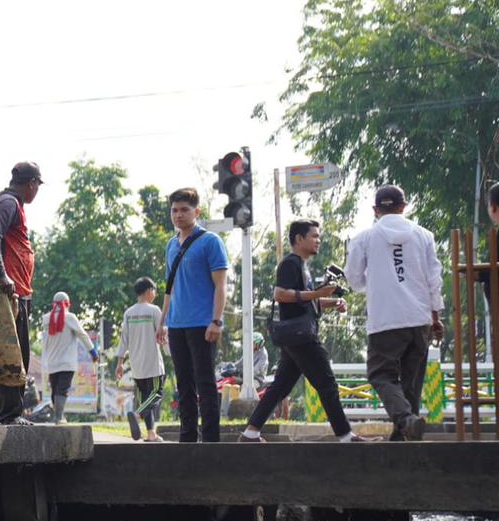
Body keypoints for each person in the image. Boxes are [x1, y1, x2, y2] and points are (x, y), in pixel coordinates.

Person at [241, 220, 364, 443]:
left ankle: (250, 432)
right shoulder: (290, 263)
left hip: (295, 337)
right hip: (301, 338)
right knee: (327, 384)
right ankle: (346, 436)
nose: (318, 241)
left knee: (280, 388)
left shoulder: (302, 265)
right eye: (314, 236)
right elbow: (280, 294)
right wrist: (317, 294)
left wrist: (331, 302)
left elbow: (303, 301)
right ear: (299, 239)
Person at [343, 186, 444, 441]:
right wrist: (436, 318)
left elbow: (353, 279)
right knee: (411, 382)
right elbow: (434, 281)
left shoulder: (364, 238)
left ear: (376, 210)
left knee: (381, 374)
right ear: (403, 207)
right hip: (420, 319)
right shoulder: (424, 236)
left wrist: (376, 280)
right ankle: (404, 437)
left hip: (385, 320)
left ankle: (405, 421)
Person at [156, 188, 228, 442]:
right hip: (176, 324)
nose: (178, 215)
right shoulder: (171, 245)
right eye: (174, 210)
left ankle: (210, 440)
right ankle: (187, 437)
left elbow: (221, 285)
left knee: (205, 382)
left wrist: (216, 321)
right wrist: (162, 321)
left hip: (203, 324)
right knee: (183, 384)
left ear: (197, 212)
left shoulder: (210, 242)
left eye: (184, 210)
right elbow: (169, 286)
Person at [0, 162, 43, 425]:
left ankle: (1, 416)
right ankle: (10, 415)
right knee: (15, 356)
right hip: (10, 295)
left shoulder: (10, 203)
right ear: (32, 184)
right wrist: (0, 276)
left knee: (5, 355)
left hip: (15, 293)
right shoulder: (9, 203)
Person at [115, 277, 166, 442]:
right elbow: (163, 335)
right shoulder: (154, 310)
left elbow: (124, 340)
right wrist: (171, 353)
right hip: (153, 363)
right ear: (149, 291)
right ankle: (137, 414)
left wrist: (120, 363)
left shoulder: (128, 313)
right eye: (154, 291)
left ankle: (151, 433)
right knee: (156, 394)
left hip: (137, 365)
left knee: (146, 397)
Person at [40, 291, 97, 423]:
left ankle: (57, 416)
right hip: (67, 363)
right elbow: (82, 335)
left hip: (52, 362)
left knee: (55, 389)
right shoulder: (70, 317)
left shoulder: (46, 319)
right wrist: (93, 352)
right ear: (67, 303)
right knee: (62, 389)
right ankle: (59, 416)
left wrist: (45, 360)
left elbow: (46, 342)